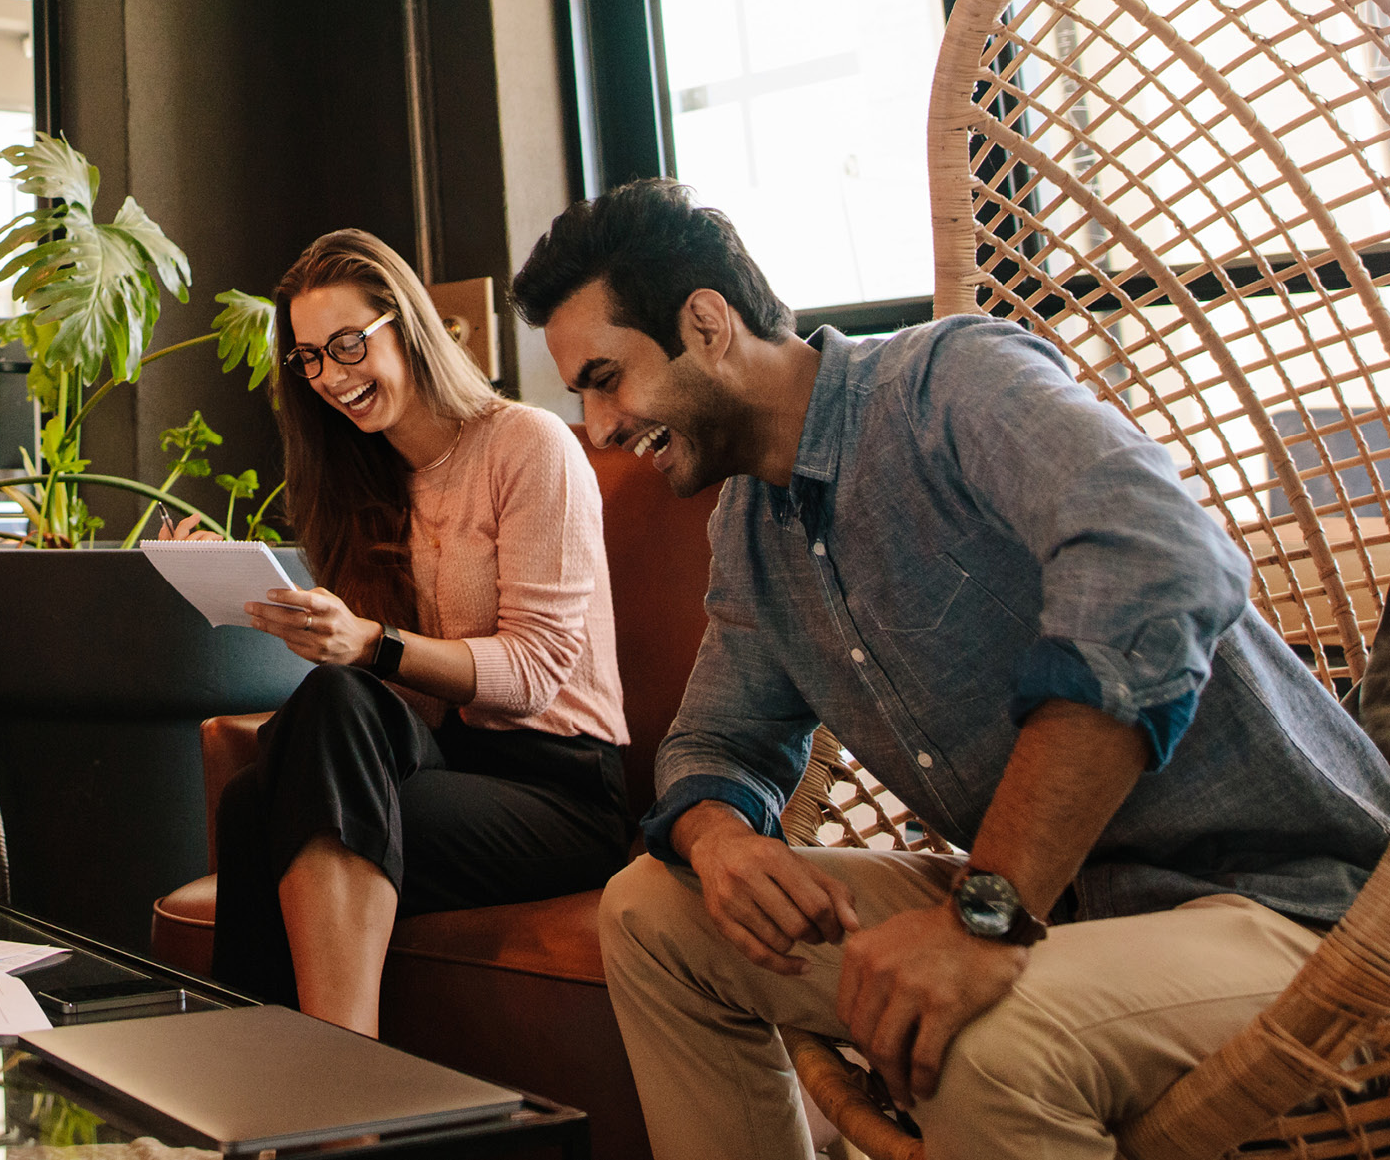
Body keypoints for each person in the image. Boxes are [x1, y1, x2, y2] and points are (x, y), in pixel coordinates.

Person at [515, 179, 1390, 1159]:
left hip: (1297, 911)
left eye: (605, 376)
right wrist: (718, 837)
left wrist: (984, 913)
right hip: (1065, 907)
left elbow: (1162, 556)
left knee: (976, 1043)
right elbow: (716, 740)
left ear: (706, 323)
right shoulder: (752, 530)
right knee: (649, 910)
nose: (598, 427)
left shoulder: (947, 383)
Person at [204, 228, 634, 1037]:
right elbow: (395, 702)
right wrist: (279, 605)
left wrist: (369, 642)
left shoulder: (528, 444)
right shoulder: (360, 482)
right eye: (309, 360)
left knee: (276, 789)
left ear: (405, 323)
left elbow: (535, 671)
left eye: (346, 345)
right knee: (265, 784)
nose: (332, 377)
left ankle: (338, 1087)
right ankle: (271, 1103)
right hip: (448, 765)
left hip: (564, 793)